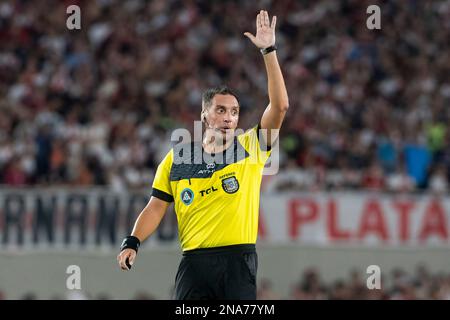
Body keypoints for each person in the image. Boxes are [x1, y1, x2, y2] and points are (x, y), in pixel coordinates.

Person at [117, 10, 289, 300]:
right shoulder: (177, 158)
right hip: (194, 264)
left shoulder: (252, 146)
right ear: (204, 116)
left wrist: (268, 51)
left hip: (238, 261)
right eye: (221, 110)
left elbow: (280, 106)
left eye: (234, 112)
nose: (228, 117)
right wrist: (132, 241)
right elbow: (156, 207)